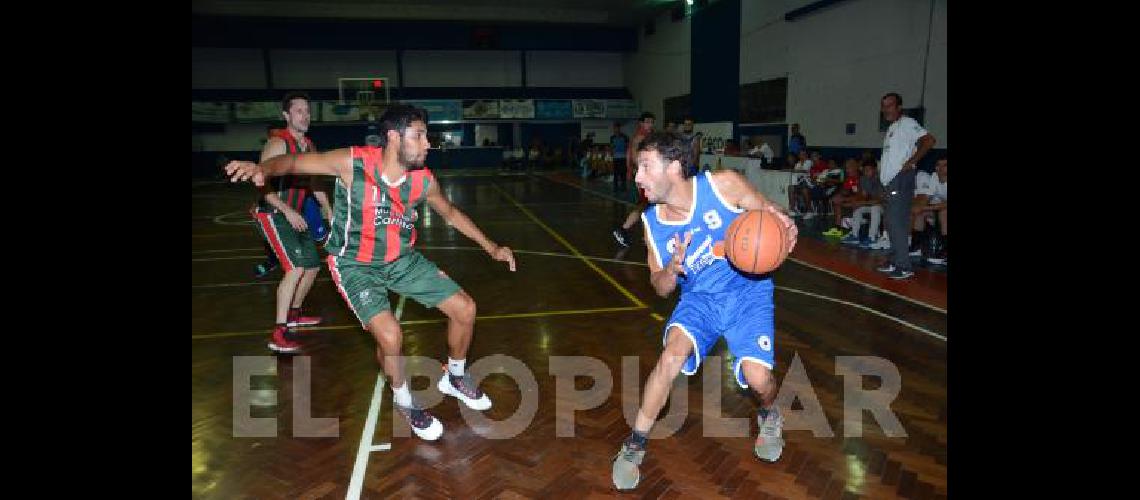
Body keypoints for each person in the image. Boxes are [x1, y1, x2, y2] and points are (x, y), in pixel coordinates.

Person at [225, 104, 517, 441]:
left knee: (465, 308)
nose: (427, 144)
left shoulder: (423, 180)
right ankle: (405, 400)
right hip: (354, 266)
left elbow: (450, 213)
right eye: (419, 136)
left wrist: (491, 247)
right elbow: (292, 162)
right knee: (391, 337)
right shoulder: (353, 162)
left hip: (401, 259)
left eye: (426, 137)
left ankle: (453, 376)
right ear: (394, 137)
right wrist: (261, 168)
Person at [611, 132, 798, 490]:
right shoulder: (652, 225)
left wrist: (786, 227)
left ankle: (770, 413)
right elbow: (659, 287)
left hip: (748, 294)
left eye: (645, 167)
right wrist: (669, 271)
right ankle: (634, 444)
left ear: (675, 168)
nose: (636, 177)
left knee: (759, 380)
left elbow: (771, 215)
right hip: (700, 301)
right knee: (669, 359)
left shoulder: (724, 185)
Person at [249, 92, 332, 353]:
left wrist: (328, 209)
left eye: (307, 111)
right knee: (295, 267)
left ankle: (294, 314)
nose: (305, 115)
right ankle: (279, 332)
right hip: (272, 213)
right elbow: (260, 182)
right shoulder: (278, 143)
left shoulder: (309, 145)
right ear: (286, 115)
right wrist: (287, 211)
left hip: (295, 214)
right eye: (299, 111)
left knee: (312, 266)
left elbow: (315, 182)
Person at [876, 92, 937, 280]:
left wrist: (911, 162)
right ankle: (896, 260)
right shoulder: (893, 128)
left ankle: (904, 265)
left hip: (901, 179)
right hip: (890, 182)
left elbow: (929, 141)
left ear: (899, 107)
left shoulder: (908, 123)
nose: (886, 109)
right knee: (890, 222)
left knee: (897, 222)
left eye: (890, 105)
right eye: (884, 106)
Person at [612, 112, 656, 247]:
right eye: (647, 122)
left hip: (645, 176)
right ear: (641, 123)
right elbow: (635, 158)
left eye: (651, 122)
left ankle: (644, 234)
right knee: (646, 205)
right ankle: (624, 230)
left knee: (647, 205)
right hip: (644, 177)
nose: (650, 124)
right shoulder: (639, 137)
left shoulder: (646, 136)